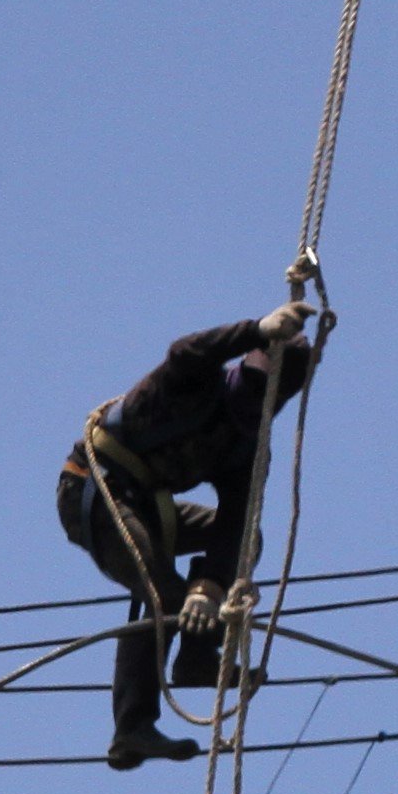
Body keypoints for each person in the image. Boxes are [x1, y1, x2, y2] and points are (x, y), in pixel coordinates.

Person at [60, 303, 323, 770]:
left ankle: (197, 658)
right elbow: (187, 352)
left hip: (149, 503)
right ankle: (131, 729)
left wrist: (210, 590)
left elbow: (235, 525)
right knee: (162, 594)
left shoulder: (247, 445)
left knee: (247, 542)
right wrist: (256, 330)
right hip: (95, 489)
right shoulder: (190, 384)